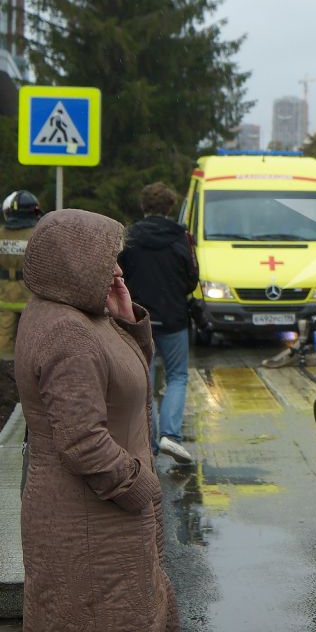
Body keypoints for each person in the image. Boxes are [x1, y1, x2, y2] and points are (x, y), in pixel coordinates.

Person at [14, 208, 179, 632]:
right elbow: (81, 441)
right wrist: (140, 490)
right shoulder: (64, 334)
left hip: (95, 514)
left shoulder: (83, 317)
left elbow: (132, 378)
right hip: (81, 515)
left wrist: (127, 313)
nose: (117, 265)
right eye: (107, 255)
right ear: (72, 263)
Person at [118, 183, 199, 465]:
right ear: (170, 207)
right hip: (175, 317)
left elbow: (118, 274)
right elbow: (192, 279)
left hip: (137, 319)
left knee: (144, 380)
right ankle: (171, 437)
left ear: (144, 207)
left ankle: (148, 442)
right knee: (177, 376)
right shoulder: (182, 238)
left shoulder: (129, 237)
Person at [0, 191, 41, 359]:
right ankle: (31, 361)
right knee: (32, 329)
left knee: (4, 328)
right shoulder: (37, 234)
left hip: (6, 289)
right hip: (30, 290)